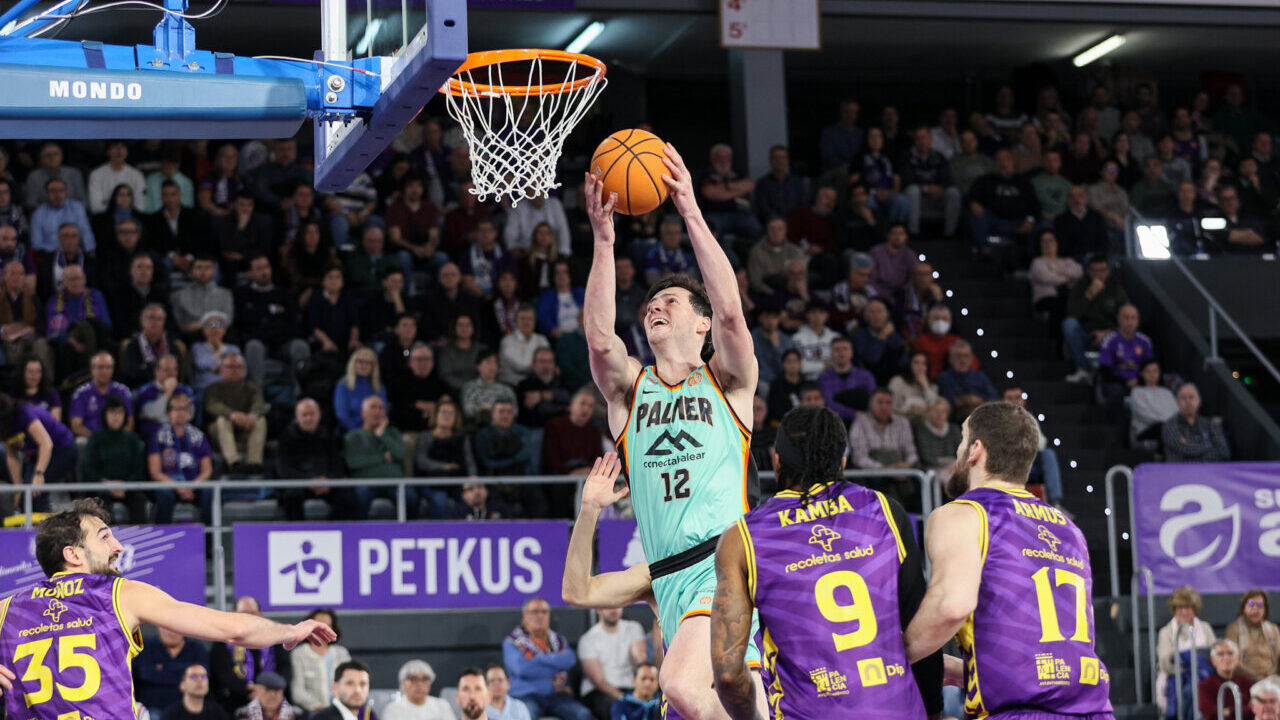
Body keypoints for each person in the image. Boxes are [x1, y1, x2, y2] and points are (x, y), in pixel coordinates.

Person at [583, 142, 768, 720]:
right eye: (650, 306)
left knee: (683, 686)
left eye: (669, 301)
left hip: (725, 560)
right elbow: (599, 340)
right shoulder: (631, 393)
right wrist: (604, 241)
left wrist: (689, 207)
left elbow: (732, 311)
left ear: (701, 322)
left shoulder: (727, 382)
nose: (655, 308)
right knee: (708, 701)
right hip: (668, 579)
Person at [0, 499, 335, 718]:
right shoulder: (119, 594)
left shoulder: (8, 609)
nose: (118, 546)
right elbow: (235, 629)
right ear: (73, 554)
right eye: (104, 537)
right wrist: (291, 630)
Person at [711, 405, 942, 719]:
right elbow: (921, 628)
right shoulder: (886, 511)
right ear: (843, 460)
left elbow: (727, 673)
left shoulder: (742, 538)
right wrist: (934, 710)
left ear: (777, 461)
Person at [902, 401, 1114, 719]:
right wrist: (964, 671)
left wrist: (893, 657)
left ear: (975, 449)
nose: (958, 450)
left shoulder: (964, 513)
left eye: (961, 440)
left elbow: (951, 606)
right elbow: (1055, 649)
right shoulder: (1068, 529)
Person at [502, 598, 591, 720]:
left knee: (582, 714)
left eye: (544, 612)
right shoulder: (512, 642)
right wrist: (556, 663)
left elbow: (569, 660)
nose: (540, 616)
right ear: (525, 616)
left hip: (556, 695)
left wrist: (536, 660)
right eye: (535, 612)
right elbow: (522, 669)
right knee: (524, 716)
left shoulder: (558, 640)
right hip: (526, 695)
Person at [208, 597, 292, 715]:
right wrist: (248, 690)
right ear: (234, 614)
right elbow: (222, 673)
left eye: (253, 613)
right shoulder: (222, 640)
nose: (249, 618)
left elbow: (285, 669)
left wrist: (269, 689)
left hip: (272, 697)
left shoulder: (275, 637)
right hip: (235, 700)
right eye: (244, 613)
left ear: (260, 615)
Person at [276, 399, 355, 521]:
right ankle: (297, 530)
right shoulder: (286, 438)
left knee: (347, 497)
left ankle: (333, 530)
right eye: (304, 415)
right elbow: (284, 469)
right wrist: (308, 482)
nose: (308, 418)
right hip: (299, 483)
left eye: (312, 414)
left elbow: (337, 464)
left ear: (319, 416)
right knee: (291, 497)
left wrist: (328, 480)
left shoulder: (329, 436)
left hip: (326, 482)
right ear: (297, 418)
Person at [0, 392, 78, 514]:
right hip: (36, 454)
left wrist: (39, 473)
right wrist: (18, 489)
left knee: (35, 492)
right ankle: (32, 523)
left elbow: (46, 443)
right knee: (25, 496)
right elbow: (12, 455)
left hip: (63, 449)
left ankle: (46, 524)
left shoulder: (23, 412)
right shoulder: (4, 427)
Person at [147, 393, 214, 523]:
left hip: (194, 485)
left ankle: (209, 535)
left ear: (189, 413)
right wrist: (178, 487)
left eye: (184, 409)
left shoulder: (199, 436)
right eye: (176, 409)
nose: (180, 413)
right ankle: (163, 533)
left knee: (208, 491)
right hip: (169, 485)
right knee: (164, 493)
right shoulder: (158, 436)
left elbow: (207, 470)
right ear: (168, 412)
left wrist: (192, 486)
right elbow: (155, 472)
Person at [347, 395, 417, 520]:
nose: (378, 411)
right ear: (362, 413)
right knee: (360, 497)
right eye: (373, 407)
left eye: (381, 408)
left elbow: (401, 454)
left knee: (410, 497)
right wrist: (383, 457)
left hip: (394, 483)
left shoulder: (392, 432)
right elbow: (354, 462)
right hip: (366, 483)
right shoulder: (353, 436)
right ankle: (359, 531)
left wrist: (382, 435)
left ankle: (408, 531)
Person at [81, 396, 148, 524]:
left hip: (128, 488)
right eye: (112, 412)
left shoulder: (133, 439)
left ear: (125, 415)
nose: (116, 417)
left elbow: (139, 469)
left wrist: (125, 485)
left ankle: (141, 536)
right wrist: (107, 483)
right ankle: (107, 536)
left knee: (139, 500)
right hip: (102, 488)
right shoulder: (95, 438)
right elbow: (88, 469)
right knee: (100, 502)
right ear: (105, 415)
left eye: (119, 412)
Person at [1062, 256, 1129, 384]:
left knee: (1128, 323)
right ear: (1088, 271)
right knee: (1069, 324)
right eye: (1094, 270)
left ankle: (1117, 376)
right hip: (1085, 333)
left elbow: (1127, 315)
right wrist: (1089, 295)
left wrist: (1109, 332)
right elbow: (1072, 313)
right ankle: (1082, 369)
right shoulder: (1080, 286)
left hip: (1110, 333)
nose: (1098, 274)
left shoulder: (1116, 289)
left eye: (1102, 270)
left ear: (1108, 271)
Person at [578, 606, 646, 720]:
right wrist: (623, 698)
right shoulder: (588, 639)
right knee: (617, 708)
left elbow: (641, 661)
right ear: (598, 609)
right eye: (608, 606)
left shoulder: (633, 628)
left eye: (617, 605)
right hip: (599, 692)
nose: (614, 610)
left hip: (630, 688)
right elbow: (598, 681)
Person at [205, 352, 268, 472]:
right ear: (221, 369)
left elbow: (259, 404)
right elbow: (212, 406)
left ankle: (254, 463)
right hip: (221, 430)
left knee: (260, 420)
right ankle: (233, 463)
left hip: (246, 427)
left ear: (244, 370)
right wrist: (232, 414)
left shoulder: (252, 388)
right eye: (230, 367)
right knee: (222, 420)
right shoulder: (212, 388)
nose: (234, 370)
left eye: (238, 367)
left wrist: (252, 416)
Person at [133, 627, 211, 715]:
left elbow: (203, 677)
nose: (172, 633)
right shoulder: (145, 647)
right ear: (159, 627)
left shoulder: (197, 649)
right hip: (152, 709)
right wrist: (184, 672)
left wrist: (162, 669)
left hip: (188, 709)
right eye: (167, 628)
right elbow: (144, 674)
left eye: (176, 628)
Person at [289, 609, 352, 714]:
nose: (323, 629)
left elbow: (350, 684)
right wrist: (318, 707)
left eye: (328, 625)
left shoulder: (342, 653)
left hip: (341, 709)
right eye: (319, 625)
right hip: (312, 711)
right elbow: (298, 692)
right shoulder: (299, 654)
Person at [69, 350, 134, 438]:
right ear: (92, 369)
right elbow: (76, 426)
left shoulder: (123, 391)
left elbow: (130, 423)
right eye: (100, 367)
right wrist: (97, 441)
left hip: (118, 439)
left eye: (108, 367)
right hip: (90, 439)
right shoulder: (81, 393)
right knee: (80, 442)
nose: (104, 371)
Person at [1162, 383, 1231, 463]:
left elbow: (1224, 452)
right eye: (1183, 398)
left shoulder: (1210, 425)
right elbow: (1184, 449)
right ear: (1177, 402)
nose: (1188, 401)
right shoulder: (1170, 426)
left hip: (1209, 470)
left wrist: (1190, 446)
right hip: (1181, 470)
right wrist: (1209, 445)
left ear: (1199, 400)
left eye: (1191, 397)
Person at [816, 337, 875, 424]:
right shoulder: (824, 378)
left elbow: (874, 399)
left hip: (866, 422)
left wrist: (866, 416)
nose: (841, 353)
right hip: (836, 423)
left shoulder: (866, 376)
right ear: (831, 353)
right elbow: (828, 404)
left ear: (852, 352)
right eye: (837, 350)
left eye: (845, 349)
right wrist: (854, 414)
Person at [936, 340, 998, 419]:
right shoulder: (944, 378)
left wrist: (979, 400)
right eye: (958, 356)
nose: (963, 360)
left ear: (972, 358)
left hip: (982, 417)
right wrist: (966, 399)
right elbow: (948, 402)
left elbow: (995, 398)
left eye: (966, 356)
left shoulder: (980, 376)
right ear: (950, 359)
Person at [1227, 591, 1280, 682]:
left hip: (1273, 680)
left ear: (1265, 609)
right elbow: (1233, 660)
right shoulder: (1234, 629)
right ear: (1243, 608)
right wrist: (1256, 678)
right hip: (1246, 680)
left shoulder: (1273, 629)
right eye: (1251, 604)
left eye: (1260, 605)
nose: (1255, 609)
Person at [334, 347, 388, 432]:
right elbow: (342, 415)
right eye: (360, 361)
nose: (364, 365)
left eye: (368, 363)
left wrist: (377, 432)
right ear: (353, 364)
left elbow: (384, 414)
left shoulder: (380, 388)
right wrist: (361, 433)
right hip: (351, 432)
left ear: (373, 367)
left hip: (376, 432)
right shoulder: (343, 386)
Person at [1199, 640, 1253, 720]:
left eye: (1230, 653)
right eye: (1220, 654)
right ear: (1213, 661)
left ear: (1237, 659)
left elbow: (1254, 709)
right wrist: (1240, 711)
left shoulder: (1247, 682)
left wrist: (1229, 712)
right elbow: (1211, 713)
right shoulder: (1206, 685)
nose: (1226, 658)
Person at [382, 660, 454, 720]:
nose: (419, 684)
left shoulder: (442, 705)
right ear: (403, 683)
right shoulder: (393, 709)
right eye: (413, 679)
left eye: (425, 679)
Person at [1130, 360, 1178, 447]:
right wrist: (1167, 422)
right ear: (1142, 373)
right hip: (1146, 429)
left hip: (1168, 427)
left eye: (1155, 371)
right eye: (1148, 371)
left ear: (1159, 373)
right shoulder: (1137, 392)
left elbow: (1176, 412)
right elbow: (1143, 414)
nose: (1152, 374)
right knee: (1166, 430)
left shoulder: (1167, 392)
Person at [308, 660, 377, 720]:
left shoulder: (369, 715)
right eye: (350, 683)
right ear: (335, 688)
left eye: (363, 684)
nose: (357, 690)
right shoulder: (322, 718)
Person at [165, 664, 231, 720]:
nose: (200, 680)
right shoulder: (171, 715)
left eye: (204, 677)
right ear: (182, 685)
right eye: (193, 677)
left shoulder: (218, 713)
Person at [889, 351, 940, 419]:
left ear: (927, 367)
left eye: (924, 364)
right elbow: (892, 407)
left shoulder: (933, 387)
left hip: (924, 420)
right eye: (916, 363)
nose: (920, 367)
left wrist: (926, 387)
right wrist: (909, 411)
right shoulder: (897, 382)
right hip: (902, 419)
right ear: (910, 365)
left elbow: (935, 408)